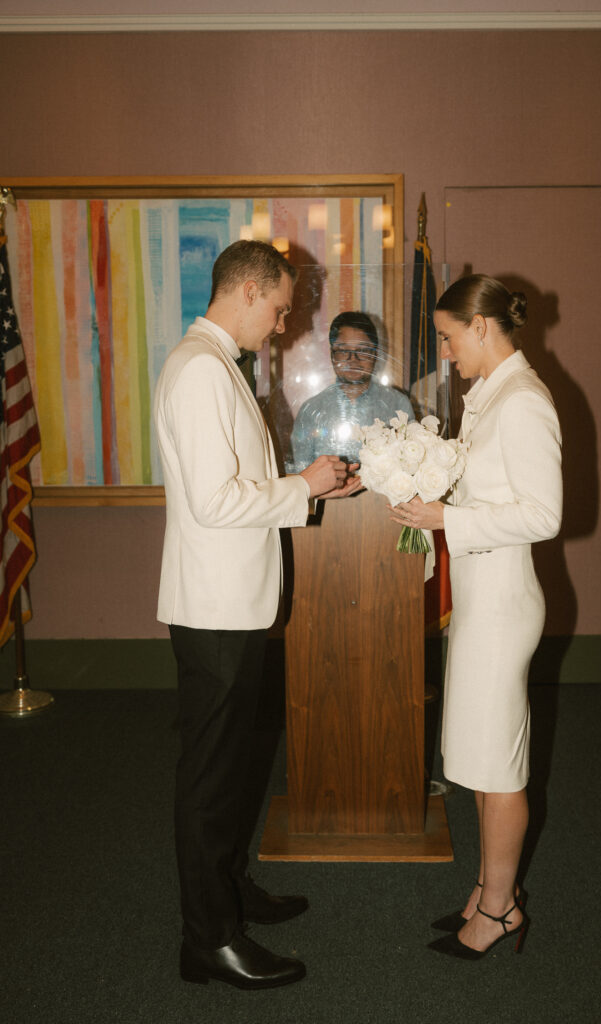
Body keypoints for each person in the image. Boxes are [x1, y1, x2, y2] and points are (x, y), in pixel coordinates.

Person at [154, 240, 361, 990]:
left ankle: (230, 891)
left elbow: (234, 484)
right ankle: (208, 939)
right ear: (246, 291)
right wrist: (300, 485)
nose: (279, 324)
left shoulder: (212, 365)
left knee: (234, 766)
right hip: (212, 607)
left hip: (228, 602)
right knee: (210, 777)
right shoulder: (200, 370)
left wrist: (306, 488)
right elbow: (214, 503)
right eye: (277, 309)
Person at [388, 274, 562, 960]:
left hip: (502, 604)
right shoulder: (489, 395)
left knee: (500, 767)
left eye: (449, 336)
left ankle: (498, 912)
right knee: (485, 760)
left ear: (483, 326)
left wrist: (444, 517)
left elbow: (543, 516)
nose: (446, 350)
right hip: (480, 597)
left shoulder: (522, 401)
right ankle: (491, 890)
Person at [289, 311, 413, 470]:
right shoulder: (311, 411)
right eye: (343, 351)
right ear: (332, 356)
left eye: (362, 351)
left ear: (375, 354)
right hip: (329, 496)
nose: (353, 359)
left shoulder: (398, 405)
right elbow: (301, 474)